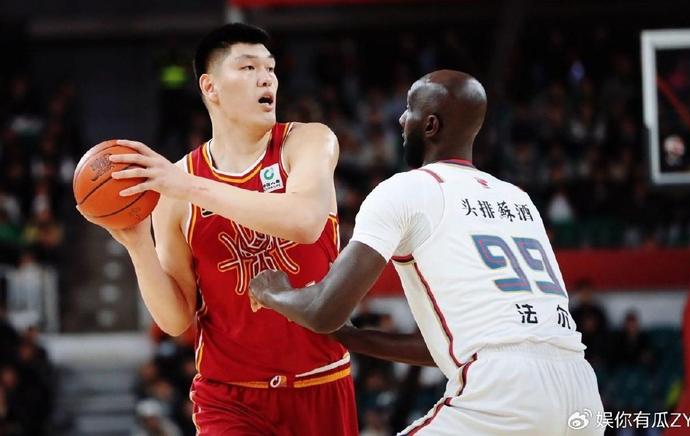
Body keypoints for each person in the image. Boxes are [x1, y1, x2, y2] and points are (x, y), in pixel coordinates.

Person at [250, 70, 605, 436]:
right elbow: (452, 343)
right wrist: (353, 338)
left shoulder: (406, 190)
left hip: (504, 392)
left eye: (410, 109)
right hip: (580, 390)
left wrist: (270, 291)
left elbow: (323, 310)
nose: (402, 119)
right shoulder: (518, 199)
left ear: (431, 125)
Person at [80, 23, 358, 435]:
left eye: (270, 68)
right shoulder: (176, 186)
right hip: (229, 396)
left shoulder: (308, 142)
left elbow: (303, 222)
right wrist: (138, 245)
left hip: (320, 381)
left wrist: (188, 187)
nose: (266, 78)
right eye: (247, 68)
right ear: (210, 87)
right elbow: (176, 319)